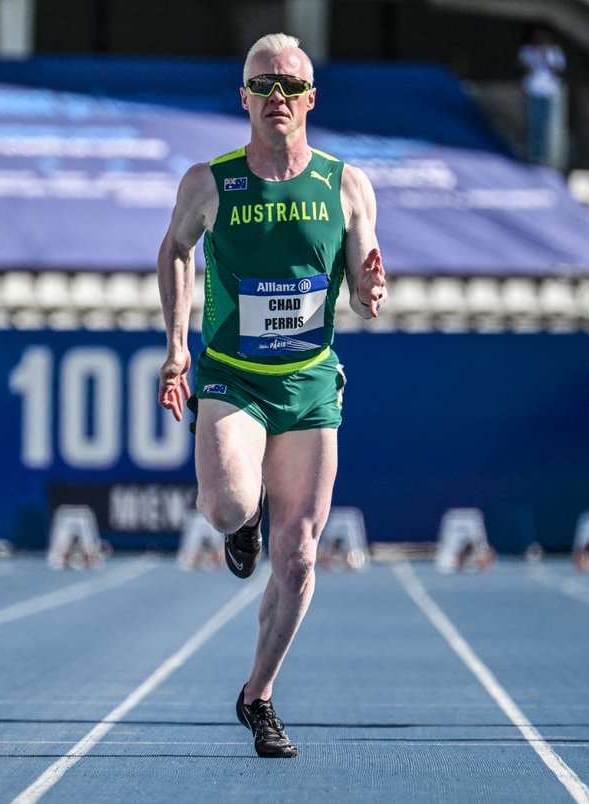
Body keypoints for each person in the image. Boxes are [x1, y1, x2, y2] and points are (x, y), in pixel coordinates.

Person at [156, 33, 386, 758]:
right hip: (233, 372)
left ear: (311, 98)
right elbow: (174, 251)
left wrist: (373, 286)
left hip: (311, 379)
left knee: (300, 557)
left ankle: (258, 695)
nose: (276, 97)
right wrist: (175, 350)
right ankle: (242, 522)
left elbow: (364, 278)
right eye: (263, 86)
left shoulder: (346, 184)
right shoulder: (210, 182)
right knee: (227, 505)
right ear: (244, 98)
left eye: (290, 85)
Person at [517, 26, 566, 165]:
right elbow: (524, 70)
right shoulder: (528, 51)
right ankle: (530, 156)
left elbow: (558, 71)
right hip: (533, 91)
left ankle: (541, 157)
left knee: (544, 126)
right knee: (533, 124)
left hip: (548, 92)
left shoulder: (555, 52)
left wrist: (546, 57)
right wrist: (535, 57)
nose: (542, 41)